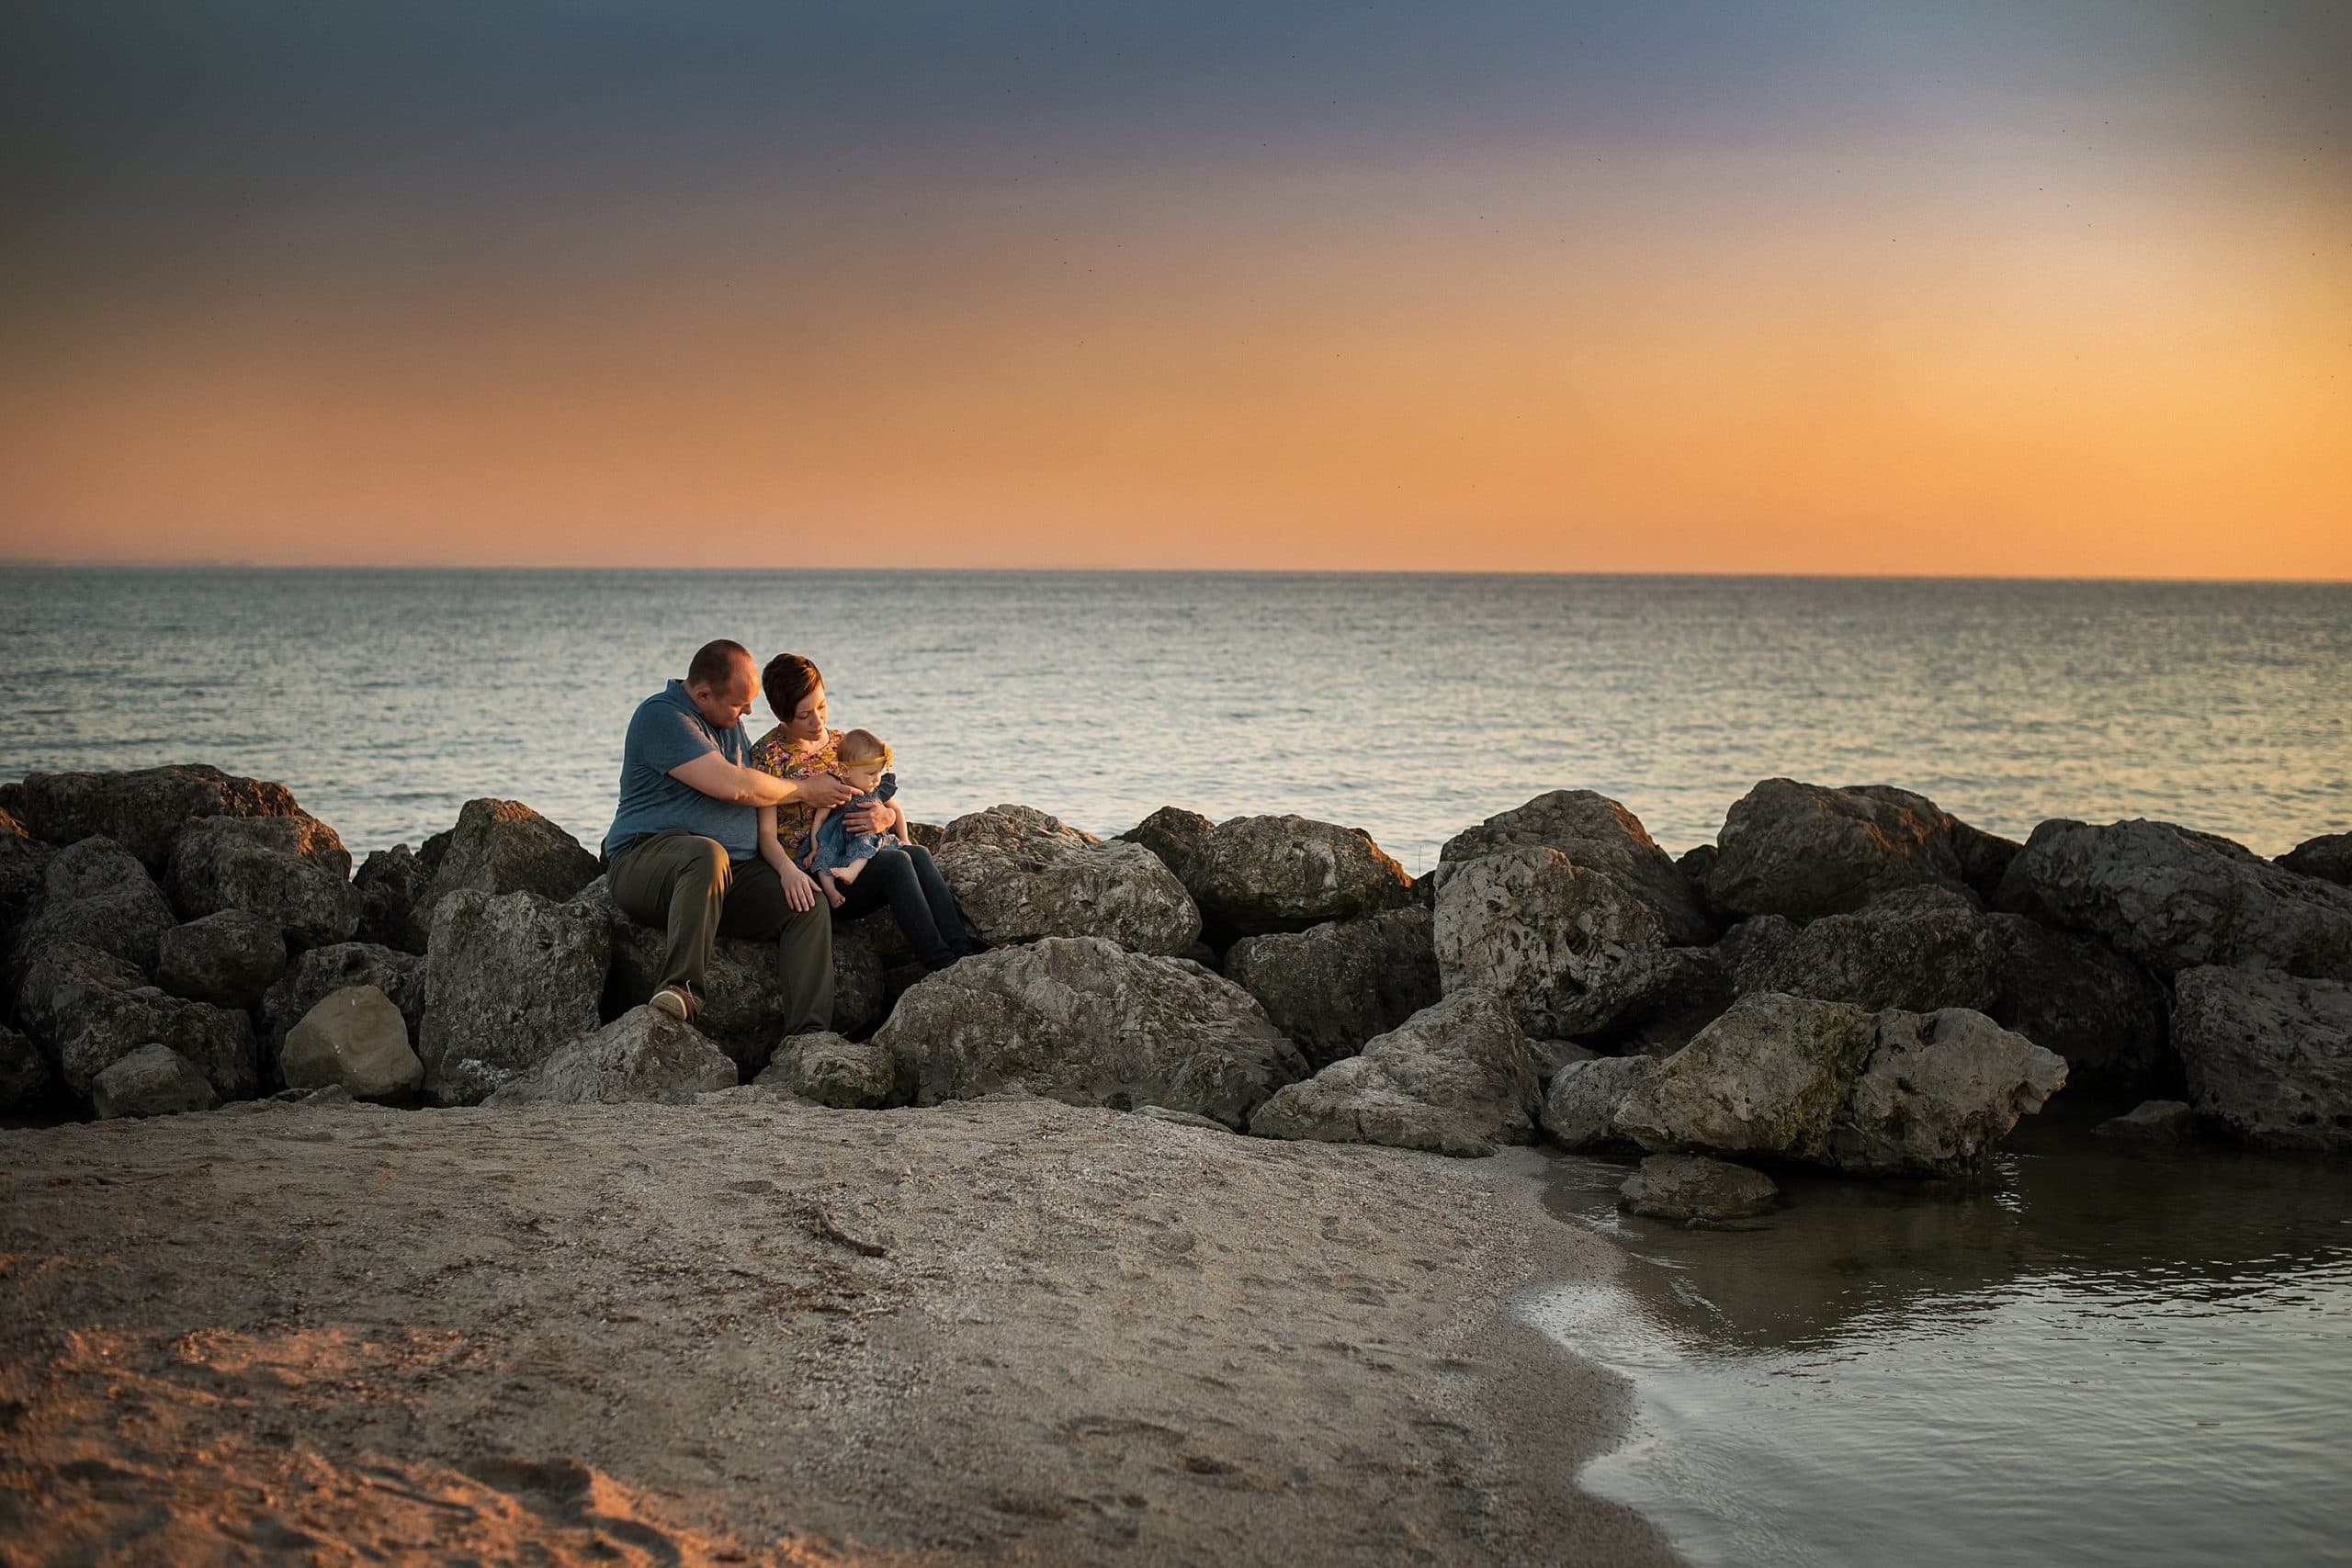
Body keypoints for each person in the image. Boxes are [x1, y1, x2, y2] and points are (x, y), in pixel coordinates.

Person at [602, 639, 857, 1028]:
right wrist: (806, 789)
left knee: (807, 903)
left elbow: (758, 791)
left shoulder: (728, 723)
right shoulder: (663, 717)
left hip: (732, 875)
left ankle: (809, 1034)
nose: (750, 712)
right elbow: (735, 786)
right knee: (706, 854)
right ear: (703, 694)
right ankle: (681, 992)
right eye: (740, 704)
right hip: (648, 861)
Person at [750, 655, 977, 972]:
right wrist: (789, 872)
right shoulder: (768, 757)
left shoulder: (844, 744)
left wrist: (884, 816)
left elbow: (879, 795)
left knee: (919, 853)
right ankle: (939, 963)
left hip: (862, 853)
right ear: (781, 714)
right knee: (897, 864)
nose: (818, 721)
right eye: (804, 715)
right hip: (819, 874)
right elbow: (765, 835)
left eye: (822, 707)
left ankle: (963, 955)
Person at [799, 728, 899, 905]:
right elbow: (820, 820)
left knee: (866, 842)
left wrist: (904, 838)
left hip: (863, 834)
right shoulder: (836, 789)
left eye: (879, 772)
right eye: (871, 774)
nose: (876, 779)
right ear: (845, 771)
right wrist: (814, 848)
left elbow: (896, 811)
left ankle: (852, 871)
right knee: (823, 858)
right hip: (836, 838)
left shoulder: (876, 789)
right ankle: (830, 892)